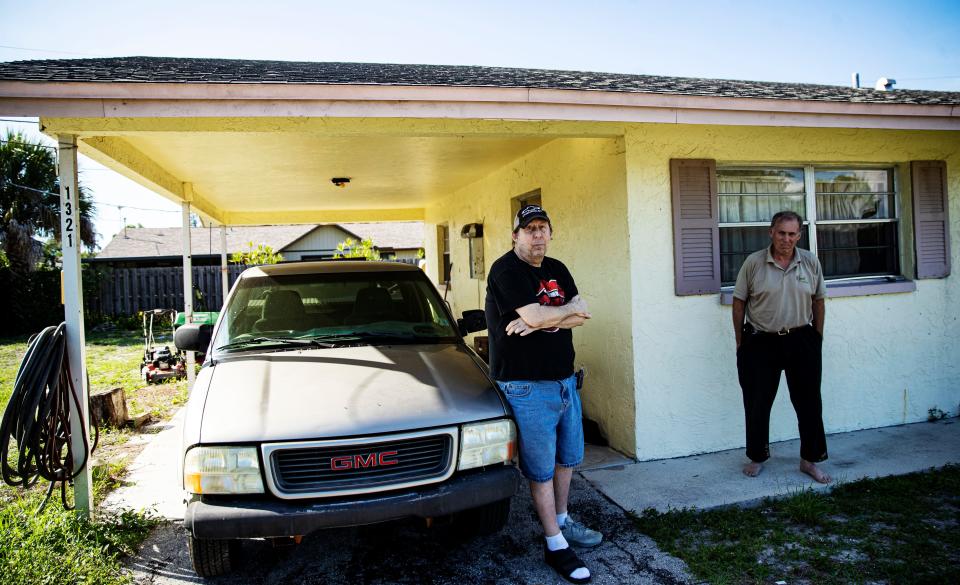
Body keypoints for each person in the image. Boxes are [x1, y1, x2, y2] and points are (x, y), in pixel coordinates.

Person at [485, 204, 602, 584]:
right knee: (539, 467)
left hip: (564, 379)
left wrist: (542, 318)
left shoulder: (557, 269)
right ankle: (554, 544)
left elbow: (581, 314)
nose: (537, 235)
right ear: (515, 235)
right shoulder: (506, 270)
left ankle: (564, 521)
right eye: (529, 229)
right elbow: (541, 316)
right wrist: (547, 317)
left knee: (567, 459)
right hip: (525, 384)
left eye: (542, 228)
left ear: (550, 233)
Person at [732, 210, 831, 484]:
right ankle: (757, 457)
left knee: (809, 402)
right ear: (771, 232)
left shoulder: (810, 262)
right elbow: (739, 302)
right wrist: (740, 342)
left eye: (792, 234)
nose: (786, 239)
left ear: (799, 235)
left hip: (801, 339)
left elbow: (819, 301)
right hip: (761, 340)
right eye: (781, 233)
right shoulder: (753, 263)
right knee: (757, 403)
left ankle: (810, 460)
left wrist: (816, 339)